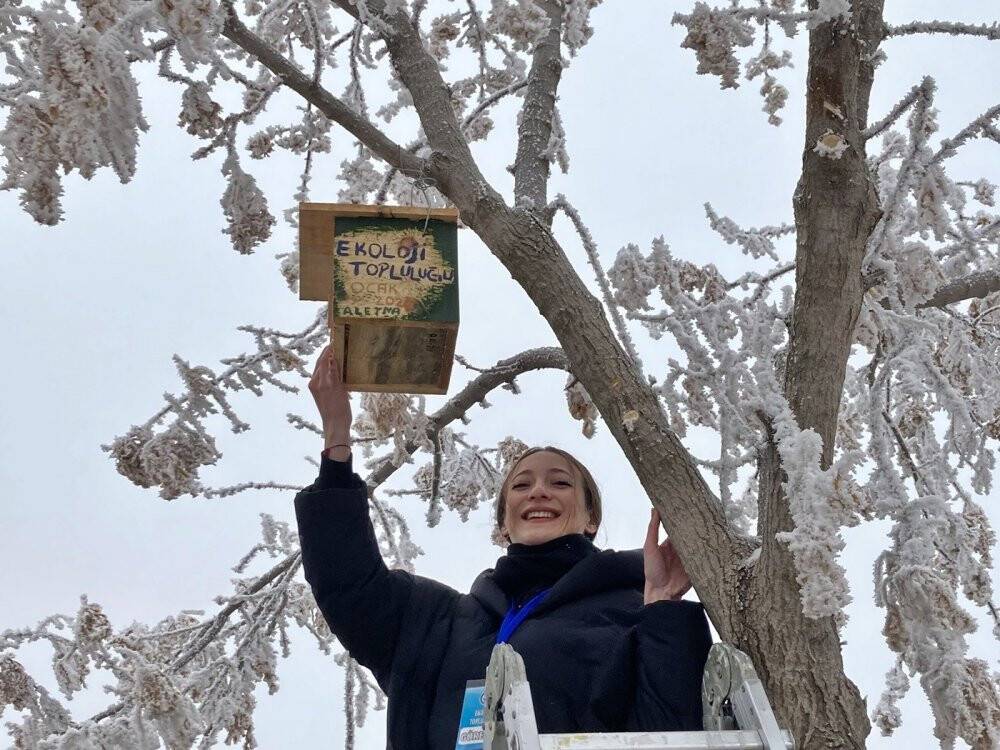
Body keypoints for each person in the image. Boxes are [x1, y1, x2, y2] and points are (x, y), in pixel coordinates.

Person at [296, 345, 712, 749]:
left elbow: (668, 730)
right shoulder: (438, 621)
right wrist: (336, 437)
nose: (539, 492)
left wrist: (662, 606)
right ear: (503, 523)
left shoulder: (629, 611)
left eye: (560, 483)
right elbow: (347, 582)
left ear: (591, 520)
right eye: (522, 484)